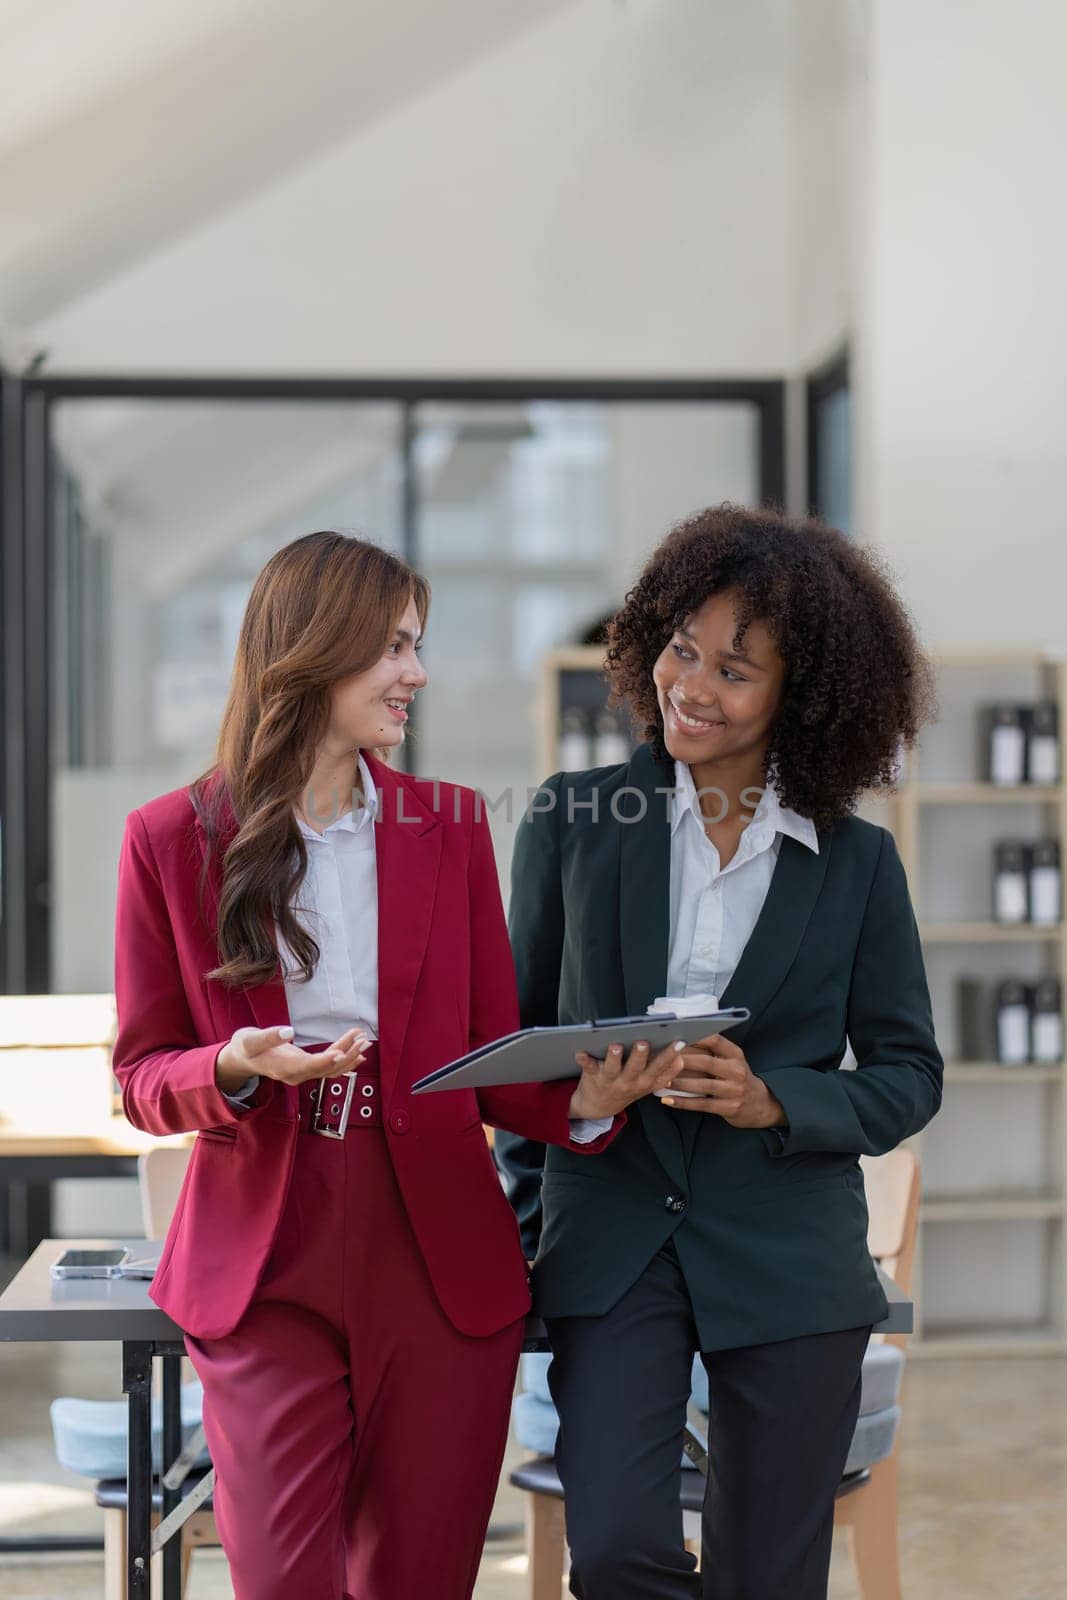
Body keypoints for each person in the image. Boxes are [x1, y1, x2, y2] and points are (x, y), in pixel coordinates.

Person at [112, 532, 685, 1600]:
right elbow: (143, 1074)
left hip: (437, 1252)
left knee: (420, 1582)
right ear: (310, 652)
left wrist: (586, 1101)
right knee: (284, 1581)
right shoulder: (168, 840)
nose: (415, 674)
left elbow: (489, 1062)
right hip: (264, 1257)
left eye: (416, 646)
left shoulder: (451, 825)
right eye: (393, 648)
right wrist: (230, 1064)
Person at [496, 504, 944, 1600]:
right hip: (611, 1244)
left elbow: (906, 1073)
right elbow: (507, 1051)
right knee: (614, 1551)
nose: (690, 685)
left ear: (804, 695)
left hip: (786, 1253)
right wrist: (585, 1102)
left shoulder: (855, 865)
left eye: (733, 671)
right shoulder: (569, 819)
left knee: (766, 1573)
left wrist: (771, 1101)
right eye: (679, 649)